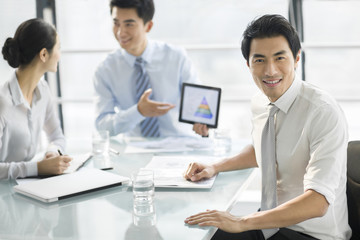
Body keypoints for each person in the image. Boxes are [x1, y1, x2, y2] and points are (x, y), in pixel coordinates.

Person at [184, 14, 351, 240]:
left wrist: (242, 221)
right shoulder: (260, 102)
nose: (270, 71)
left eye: (279, 58)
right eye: (259, 60)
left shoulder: (322, 111)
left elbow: (318, 202)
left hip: (312, 234)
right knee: (204, 233)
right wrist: (214, 167)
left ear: (297, 58)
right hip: (270, 224)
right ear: (248, 64)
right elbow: (263, 149)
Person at [93, 0, 200, 138]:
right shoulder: (105, 70)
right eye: (116, 23)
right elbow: (103, 126)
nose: (121, 32)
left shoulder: (176, 57)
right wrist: (138, 111)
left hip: (178, 143)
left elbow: (197, 104)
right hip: (135, 149)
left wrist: (201, 122)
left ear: (148, 26)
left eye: (129, 24)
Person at [0, 18, 72, 179]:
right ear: (44, 54)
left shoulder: (43, 90)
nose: (60, 55)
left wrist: (52, 152)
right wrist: (37, 168)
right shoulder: (2, 103)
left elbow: (57, 135)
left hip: (26, 188)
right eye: (58, 48)